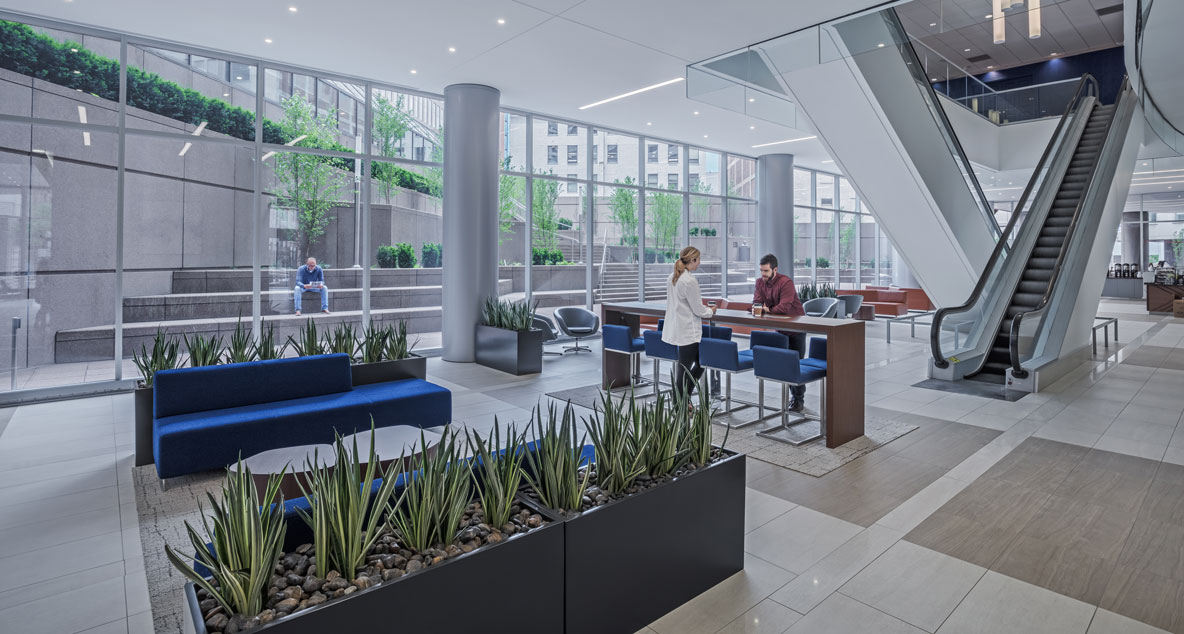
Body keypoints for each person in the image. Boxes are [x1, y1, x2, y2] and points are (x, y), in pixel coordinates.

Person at [752, 253, 808, 412]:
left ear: (775, 269)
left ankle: (798, 400)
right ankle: (794, 398)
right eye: (761, 271)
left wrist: (766, 310)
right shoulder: (759, 282)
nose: (763, 275)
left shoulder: (786, 283)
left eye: (766, 271)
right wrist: (760, 308)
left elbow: (784, 307)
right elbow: (756, 302)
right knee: (785, 363)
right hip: (780, 328)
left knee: (795, 364)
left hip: (796, 328)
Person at [661, 246, 717, 400]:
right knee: (695, 365)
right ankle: (680, 401)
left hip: (678, 328)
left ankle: (683, 397)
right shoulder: (689, 281)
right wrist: (711, 310)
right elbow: (698, 310)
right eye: (698, 260)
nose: (699, 263)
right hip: (688, 331)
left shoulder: (672, 277)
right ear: (692, 260)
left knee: (688, 366)